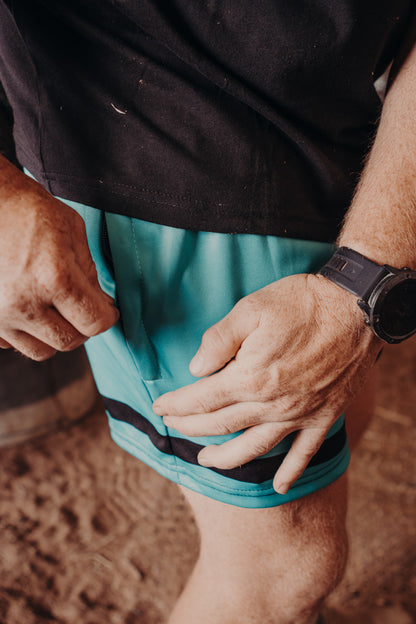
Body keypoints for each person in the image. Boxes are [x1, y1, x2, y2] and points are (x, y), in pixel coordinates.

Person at [0, 2, 415, 623]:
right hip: (164, 163)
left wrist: (368, 275)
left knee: (347, 412)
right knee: (286, 566)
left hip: (343, 126)